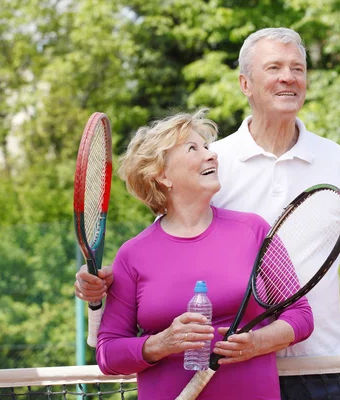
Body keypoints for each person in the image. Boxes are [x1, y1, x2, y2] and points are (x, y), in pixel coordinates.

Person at [77, 28, 340, 399]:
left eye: (298, 69)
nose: (289, 77)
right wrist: (107, 284)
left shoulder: (337, 160)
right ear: (245, 83)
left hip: (324, 363)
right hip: (233, 374)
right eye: (274, 67)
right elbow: (173, 250)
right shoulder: (212, 163)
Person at [94, 109, 313, 399]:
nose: (211, 155)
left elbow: (301, 315)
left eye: (207, 147)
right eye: (193, 148)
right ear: (162, 175)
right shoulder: (133, 254)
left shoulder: (253, 230)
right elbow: (108, 353)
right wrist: (161, 343)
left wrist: (257, 342)